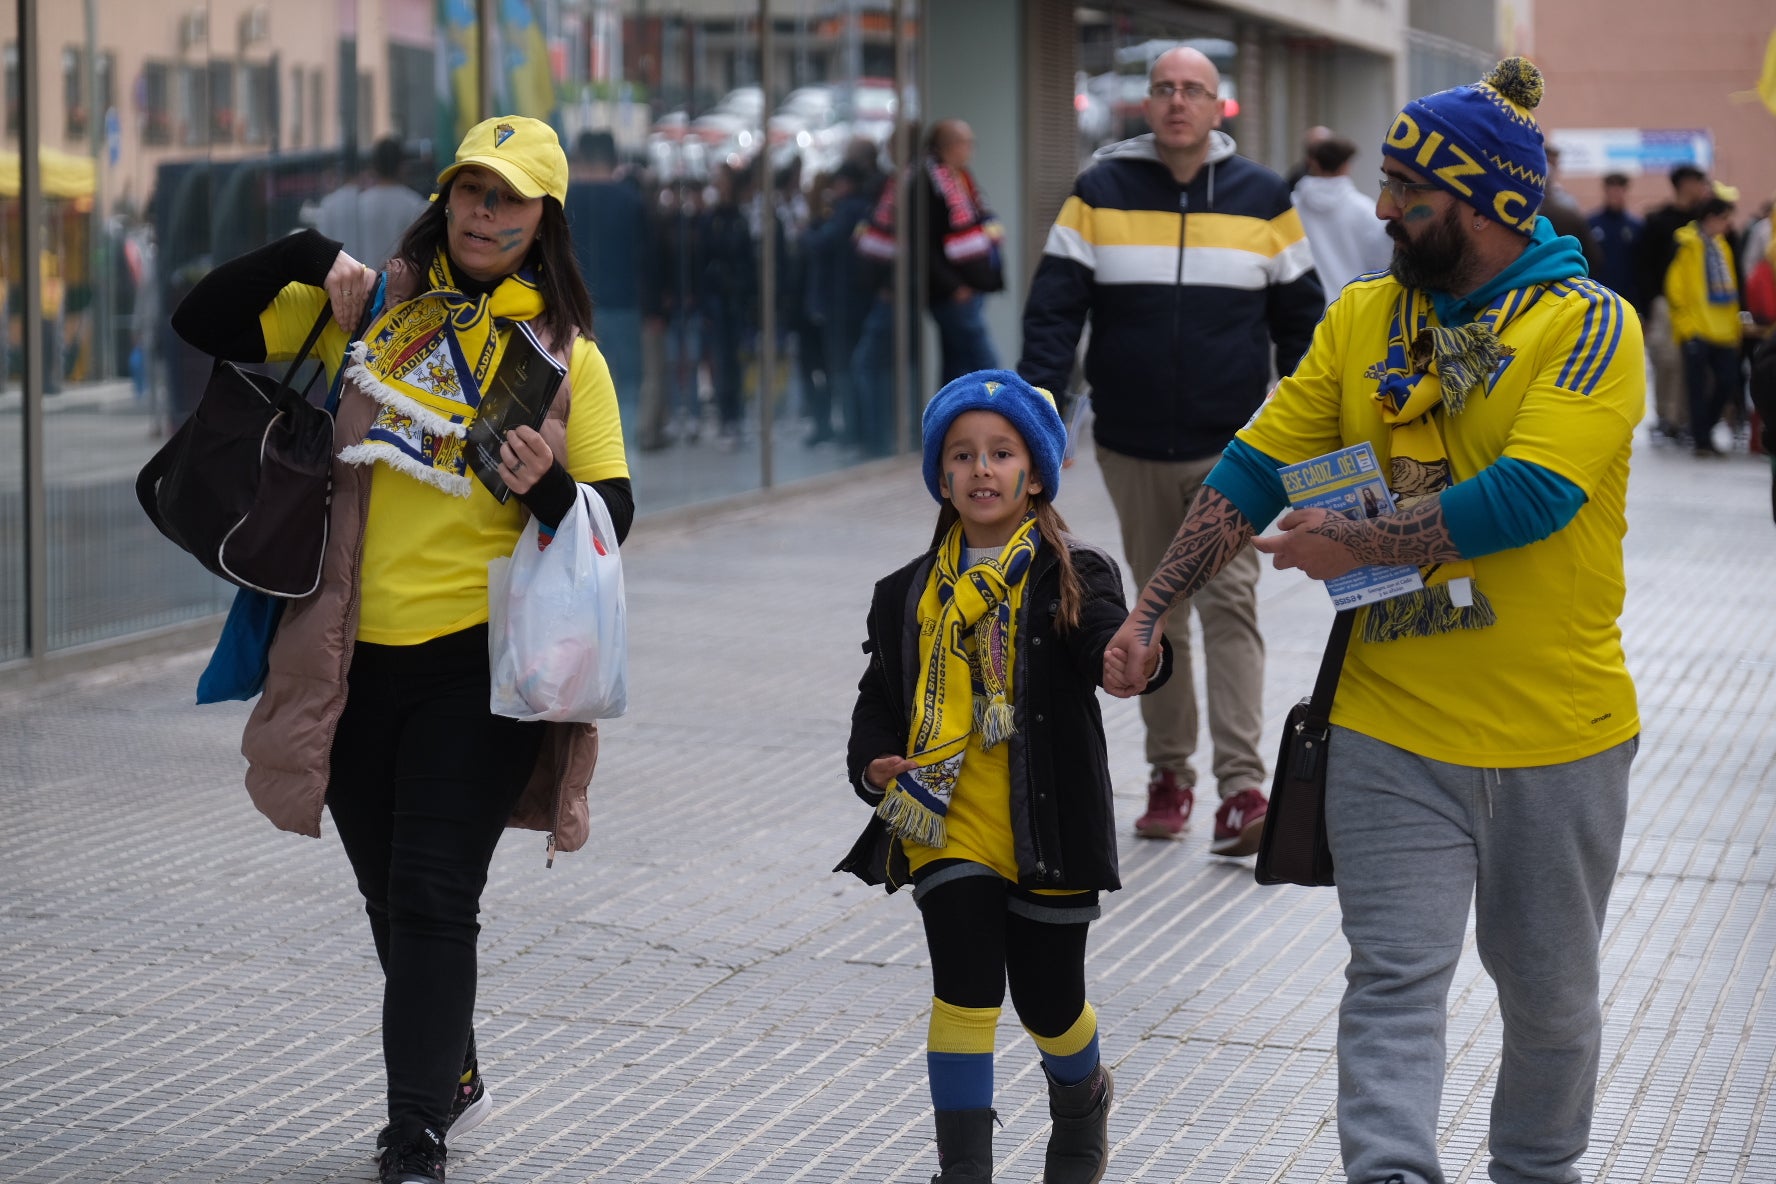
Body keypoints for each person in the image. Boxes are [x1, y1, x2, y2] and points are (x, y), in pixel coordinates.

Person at [1102, 58, 1644, 1184]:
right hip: (1391, 730)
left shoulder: (1589, 327)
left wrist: (1352, 544)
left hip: (1559, 735)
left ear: (1495, 203)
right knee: (1393, 975)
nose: (1385, 208)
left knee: (1549, 999)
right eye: (1386, 181)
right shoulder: (1364, 319)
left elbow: (1533, 497)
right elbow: (1255, 464)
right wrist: (1151, 607)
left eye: (1411, 189)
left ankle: (1539, 1168)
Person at [170, 115, 633, 1184]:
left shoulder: (570, 361)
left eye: (510, 198)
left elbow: (614, 510)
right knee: (391, 894)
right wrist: (301, 255)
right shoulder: (371, 311)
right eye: (472, 189)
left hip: (480, 668)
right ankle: (449, 1061)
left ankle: (413, 1127)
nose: (486, 212)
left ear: (543, 221)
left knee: (433, 893)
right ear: (446, 197)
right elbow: (204, 316)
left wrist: (549, 486)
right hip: (347, 662)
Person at [838, 369, 1169, 1184]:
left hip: (1048, 825)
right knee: (966, 991)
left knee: (1049, 1005)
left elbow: (1105, 644)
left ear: (1035, 473)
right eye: (962, 455)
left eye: (1001, 452)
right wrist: (873, 762)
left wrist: (1134, 663)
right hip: (945, 824)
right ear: (940, 477)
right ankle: (965, 1172)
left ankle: (1082, 1091)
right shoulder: (903, 594)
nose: (981, 470)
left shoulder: (1074, 574)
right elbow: (879, 700)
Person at [1018, 45, 1323, 856]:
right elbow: (1053, 317)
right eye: (1164, 89)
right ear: (1145, 104)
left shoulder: (1265, 199)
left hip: (1237, 453)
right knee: (1158, 605)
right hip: (1133, 443)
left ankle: (1242, 788)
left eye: (1194, 89)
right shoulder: (1098, 192)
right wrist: (1034, 420)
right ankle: (1168, 774)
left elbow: (1304, 331)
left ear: (1219, 105)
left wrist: (1311, 443)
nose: (1178, 101)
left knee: (1230, 604)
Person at [564, 130, 651, 428]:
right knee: (626, 390)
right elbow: (645, 259)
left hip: (574, 310)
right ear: (614, 159)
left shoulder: (564, 201)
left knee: (577, 393)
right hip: (623, 305)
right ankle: (626, 465)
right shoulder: (631, 201)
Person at [921, 119, 1006, 383]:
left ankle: (948, 423)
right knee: (988, 367)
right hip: (954, 294)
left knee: (956, 370)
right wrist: (954, 286)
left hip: (970, 289)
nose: (971, 149)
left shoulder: (962, 178)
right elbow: (925, 244)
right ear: (950, 146)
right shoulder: (931, 182)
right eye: (967, 143)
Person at [1665, 182, 1744, 457]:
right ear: (1711, 218)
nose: (1727, 224)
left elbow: (1732, 287)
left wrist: (1735, 328)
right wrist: (1687, 328)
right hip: (1697, 328)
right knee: (1696, 388)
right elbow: (1676, 290)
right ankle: (1701, 440)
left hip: (1722, 330)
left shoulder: (1723, 247)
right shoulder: (1687, 245)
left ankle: (1703, 430)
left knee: (1727, 381)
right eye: (1724, 218)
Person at [1637, 163, 1715, 441]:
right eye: (1698, 182)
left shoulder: (1706, 220)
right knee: (1666, 359)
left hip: (1700, 304)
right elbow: (1644, 265)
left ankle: (1683, 418)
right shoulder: (1660, 221)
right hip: (1664, 302)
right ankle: (1665, 418)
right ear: (1683, 184)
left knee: (1691, 360)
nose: (1702, 188)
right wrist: (1649, 303)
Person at [1291, 133, 1393, 304]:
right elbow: (1383, 262)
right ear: (1346, 165)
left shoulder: (1291, 206)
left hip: (1302, 308)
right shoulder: (1365, 210)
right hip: (1351, 307)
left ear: (1312, 162)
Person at [315, 136, 430, 269]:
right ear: (401, 166)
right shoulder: (414, 204)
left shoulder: (360, 203)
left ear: (374, 166)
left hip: (361, 283)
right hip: (399, 285)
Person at [1538, 144, 1605, 278]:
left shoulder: (1567, 202)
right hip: (1566, 274)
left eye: (1555, 163)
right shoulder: (1567, 208)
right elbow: (1593, 256)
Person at [1586, 173, 1644, 310]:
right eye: (1611, 190)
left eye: (1619, 190)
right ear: (1605, 191)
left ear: (1625, 192)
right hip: (1597, 295)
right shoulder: (1590, 224)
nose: (1615, 194)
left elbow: (1641, 267)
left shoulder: (1636, 226)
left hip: (1628, 298)